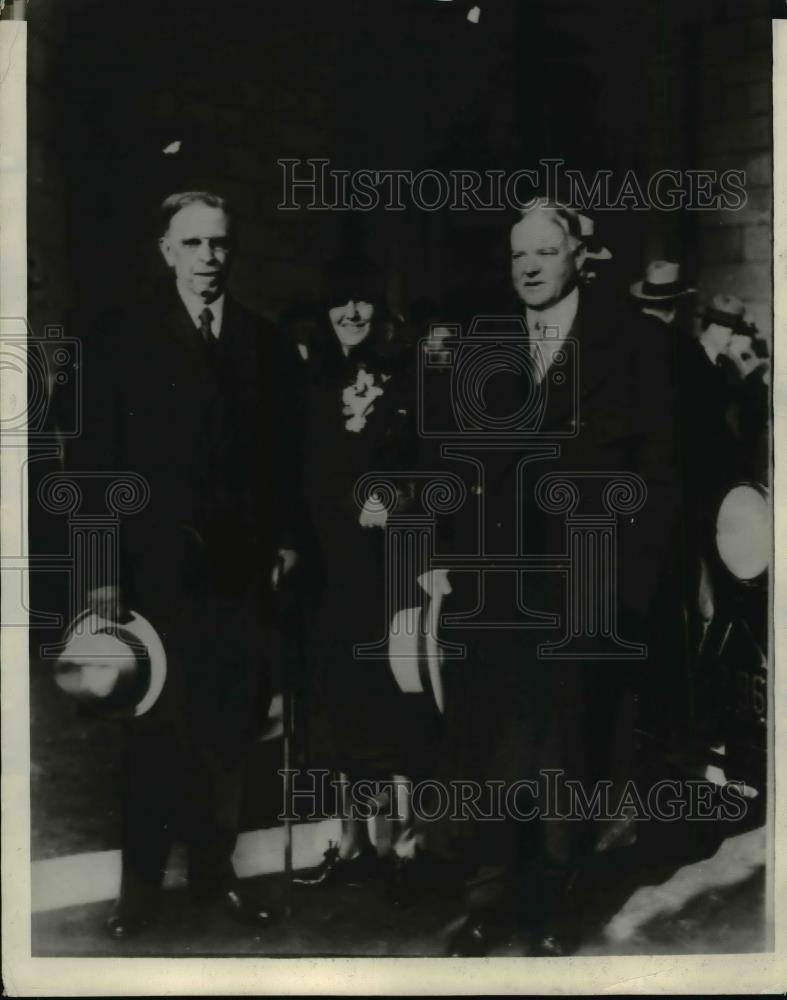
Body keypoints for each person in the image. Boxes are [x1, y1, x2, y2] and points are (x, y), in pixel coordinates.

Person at [423, 202, 680, 956]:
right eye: (517, 255)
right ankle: (487, 900)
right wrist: (441, 557)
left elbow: (660, 477)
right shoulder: (482, 343)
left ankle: (556, 903)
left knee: (569, 748)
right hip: (490, 585)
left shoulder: (634, 344)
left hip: (582, 583)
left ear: (579, 256)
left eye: (544, 251)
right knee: (485, 746)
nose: (528, 267)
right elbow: (454, 462)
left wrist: (625, 583)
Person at [64, 191, 301, 938]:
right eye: (193, 244)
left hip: (236, 577)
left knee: (225, 733)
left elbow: (284, 460)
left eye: (220, 244)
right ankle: (138, 890)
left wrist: (286, 541)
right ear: (166, 251)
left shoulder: (262, 344)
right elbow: (92, 466)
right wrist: (100, 575)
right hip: (148, 579)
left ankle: (212, 874)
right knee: (152, 735)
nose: (209, 258)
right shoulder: (119, 339)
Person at [292, 255, 439, 899]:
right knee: (339, 707)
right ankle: (354, 842)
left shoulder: (412, 376)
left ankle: (408, 843)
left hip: (394, 570)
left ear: (380, 309)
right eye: (339, 302)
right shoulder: (313, 380)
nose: (351, 313)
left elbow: (443, 467)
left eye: (363, 301)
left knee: (398, 702)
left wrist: (399, 496)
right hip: (332, 573)